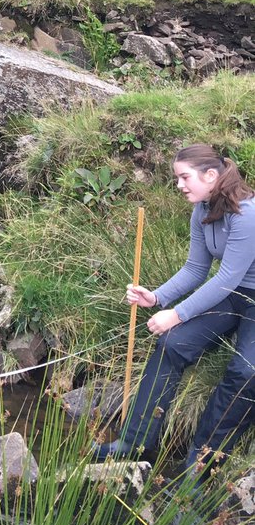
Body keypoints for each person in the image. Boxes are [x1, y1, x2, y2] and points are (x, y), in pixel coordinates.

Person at [93, 145, 255, 480]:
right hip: (235, 295)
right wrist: (156, 297)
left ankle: (200, 461)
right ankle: (135, 443)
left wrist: (176, 313)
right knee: (172, 344)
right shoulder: (203, 209)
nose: (179, 185)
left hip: (240, 292)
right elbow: (197, 268)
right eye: (177, 177)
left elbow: (225, 278)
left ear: (210, 175)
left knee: (246, 373)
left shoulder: (247, 215)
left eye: (184, 177)